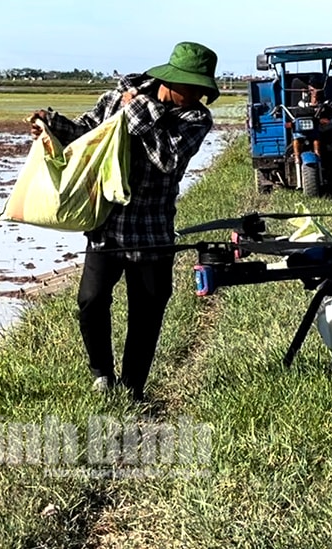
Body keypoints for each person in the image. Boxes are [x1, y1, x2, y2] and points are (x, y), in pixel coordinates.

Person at [27, 41, 218, 401]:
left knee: (147, 311)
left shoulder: (195, 119)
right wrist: (51, 127)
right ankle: (101, 374)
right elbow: (87, 133)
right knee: (91, 299)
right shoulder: (117, 99)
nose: (198, 98)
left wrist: (139, 111)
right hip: (108, 225)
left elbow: (168, 158)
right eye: (193, 89)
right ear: (171, 80)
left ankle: (133, 389)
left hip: (152, 230)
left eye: (202, 91)